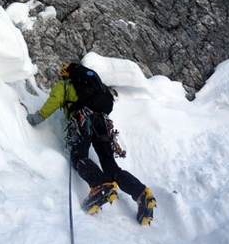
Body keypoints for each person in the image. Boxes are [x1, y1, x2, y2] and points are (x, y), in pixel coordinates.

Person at [26, 63, 156, 225]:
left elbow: (54, 101)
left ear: (66, 73)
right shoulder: (94, 86)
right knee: (111, 167)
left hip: (83, 120)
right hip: (102, 123)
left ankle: (100, 185)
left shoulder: (66, 84)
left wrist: (36, 118)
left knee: (79, 157)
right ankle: (142, 193)